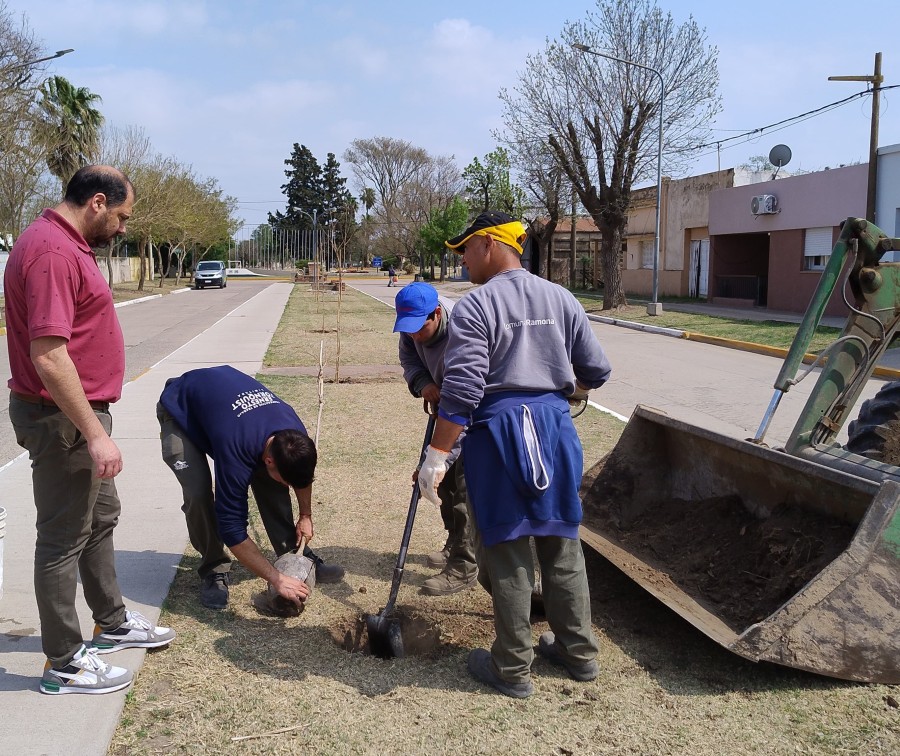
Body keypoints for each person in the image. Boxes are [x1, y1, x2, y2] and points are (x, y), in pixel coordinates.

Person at [418, 211, 612, 699]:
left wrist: (437, 454)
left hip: (499, 433)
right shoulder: (561, 297)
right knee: (561, 544)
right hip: (554, 428)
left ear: (488, 244)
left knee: (506, 549)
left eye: (465, 250)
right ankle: (579, 653)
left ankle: (511, 667)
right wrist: (557, 397)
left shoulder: (476, 305)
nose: (462, 261)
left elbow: (462, 388)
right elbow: (596, 370)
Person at [5, 165, 175, 696]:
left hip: (78, 416)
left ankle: (111, 622)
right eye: (122, 216)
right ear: (97, 202)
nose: (123, 228)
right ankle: (64, 662)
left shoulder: (64, 244)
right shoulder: (53, 252)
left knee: (102, 518)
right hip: (64, 420)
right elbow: (49, 356)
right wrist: (94, 433)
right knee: (61, 538)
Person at [157, 365, 345, 611]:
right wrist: (276, 579)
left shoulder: (294, 434)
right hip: (181, 409)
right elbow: (233, 529)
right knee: (199, 493)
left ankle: (294, 555)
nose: (290, 486)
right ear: (269, 460)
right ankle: (213, 569)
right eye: (287, 479)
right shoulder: (235, 451)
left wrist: (305, 515)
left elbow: (302, 476)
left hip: (223, 409)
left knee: (273, 483)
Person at [393, 282, 478, 595]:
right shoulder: (411, 326)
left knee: (463, 492)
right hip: (445, 408)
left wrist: (438, 458)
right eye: (408, 328)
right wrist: (423, 383)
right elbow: (409, 358)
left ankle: (465, 566)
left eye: (420, 327)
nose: (415, 335)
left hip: (472, 416)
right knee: (447, 486)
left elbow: (464, 404)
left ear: (437, 314)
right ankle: (455, 543)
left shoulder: (464, 334)